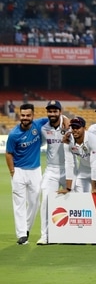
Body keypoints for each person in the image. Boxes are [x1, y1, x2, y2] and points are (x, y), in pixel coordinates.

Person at [6, 103, 48, 245]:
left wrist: (66, 119)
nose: (25, 118)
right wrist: (13, 172)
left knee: (35, 202)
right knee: (19, 203)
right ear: (19, 116)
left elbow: (54, 117)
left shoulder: (38, 124)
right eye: (23, 115)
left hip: (35, 171)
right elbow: (8, 154)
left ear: (33, 115)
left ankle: (27, 228)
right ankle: (22, 234)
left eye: (28, 115)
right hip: (19, 170)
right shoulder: (14, 134)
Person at [38, 101, 67, 245]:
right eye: (49, 111)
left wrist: (67, 120)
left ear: (60, 112)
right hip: (51, 170)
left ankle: (72, 235)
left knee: (74, 201)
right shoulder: (44, 129)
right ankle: (45, 236)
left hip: (68, 169)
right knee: (45, 201)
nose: (52, 114)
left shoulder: (68, 126)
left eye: (55, 111)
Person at [63, 117, 96, 194]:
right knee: (80, 195)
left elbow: (94, 164)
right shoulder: (68, 140)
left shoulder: (93, 139)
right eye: (73, 127)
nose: (75, 130)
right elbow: (69, 163)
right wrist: (68, 188)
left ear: (84, 128)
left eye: (78, 127)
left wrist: (94, 188)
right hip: (83, 168)